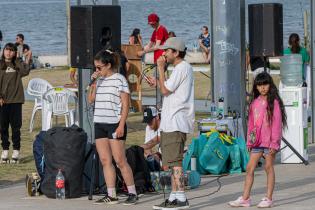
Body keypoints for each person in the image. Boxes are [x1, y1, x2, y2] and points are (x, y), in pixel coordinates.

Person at [147, 37, 194, 209]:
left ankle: (181, 197)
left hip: (176, 122)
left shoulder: (182, 67)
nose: (164, 53)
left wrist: (160, 69)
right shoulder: (179, 69)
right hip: (170, 122)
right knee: (171, 162)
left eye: (167, 50)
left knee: (175, 163)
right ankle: (174, 196)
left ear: (176, 52)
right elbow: (167, 88)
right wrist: (158, 81)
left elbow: (166, 89)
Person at [228, 72, 287, 208]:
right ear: (256, 87)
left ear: (270, 85)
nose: (262, 88)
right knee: (249, 168)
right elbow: (251, 124)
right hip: (257, 143)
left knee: (268, 167)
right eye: (259, 85)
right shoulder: (254, 103)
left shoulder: (274, 103)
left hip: (270, 143)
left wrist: (274, 143)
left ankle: (268, 198)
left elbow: (277, 125)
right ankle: (245, 198)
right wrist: (250, 141)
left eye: (265, 84)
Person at [88, 49, 138, 205]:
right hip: (100, 123)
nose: (97, 70)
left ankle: (132, 193)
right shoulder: (100, 80)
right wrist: (94, 82)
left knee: (120, 160)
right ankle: (111, 194)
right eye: (95, 68)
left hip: (115, 124)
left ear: (108, 65)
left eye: (99, 67)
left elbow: (126, 104)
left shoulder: (120, 79)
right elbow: (90, 99)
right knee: (105, 160)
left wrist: (121, 125)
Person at [0, 43, 32, 163]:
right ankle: (5, 150)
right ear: (3, 51)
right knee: (2, 127)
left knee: (16, 128)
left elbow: (26, 71)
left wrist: (19, 58)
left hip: (16, 101)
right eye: (6, 50)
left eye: (11, 51)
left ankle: (16, 151)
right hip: (3, 101)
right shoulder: (0, 64)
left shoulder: (17, 65)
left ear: (14, 53)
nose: (8, 52)